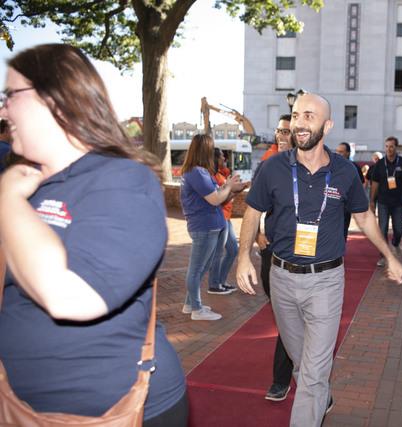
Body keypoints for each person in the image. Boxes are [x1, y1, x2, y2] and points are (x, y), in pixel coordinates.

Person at [0, 43, 187, 425]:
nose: (3, 109)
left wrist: (8, 203)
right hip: (20, 405)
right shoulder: (28, 183)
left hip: (114, 412)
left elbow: (70, 296)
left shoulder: (123, 181)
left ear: (55, 98)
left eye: (10, 95)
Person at [236, 93, 402, 427]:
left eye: (309, 116)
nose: (300, 122)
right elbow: (252, 212)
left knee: (313, 374)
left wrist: (389, 255)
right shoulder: (273, 167)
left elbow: (365, 217)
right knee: (301, 362)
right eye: (296, 115)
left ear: (327, 125)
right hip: (281, 278)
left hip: (326, 281)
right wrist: (243, 257)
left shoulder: (345, 173)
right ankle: (321, 397)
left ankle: (312, 405)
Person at [180, 134, 245, 320]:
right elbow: (215, 198)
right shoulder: (197, 172)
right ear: (205, 150)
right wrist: (229, 185)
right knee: (197, 269)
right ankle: (197, 310)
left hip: (208, 225)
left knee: (201, 267)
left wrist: (230, 189)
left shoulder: (198, 172)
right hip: (204, 226)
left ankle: (190, 304)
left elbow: (217, 196)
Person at [255, 113, 296, 402]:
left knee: (288, 318)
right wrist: (257, 234)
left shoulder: (311, 167)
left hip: (305, 256)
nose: (281, 136)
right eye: (279, 131)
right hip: (272, 252)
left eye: (287, 132)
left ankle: (283, 379)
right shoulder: (267, 166)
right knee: (287, 317)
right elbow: (254, 207)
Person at [369, 136, 402, 266]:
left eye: (391, 146)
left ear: (396, 147)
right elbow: (375, 184)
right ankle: (383, 256)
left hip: (399, 203)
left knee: (398, 229)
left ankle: (395, 244)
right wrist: (372, 201)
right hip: (383, 202)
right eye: (387, 146)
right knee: (382, 229)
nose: (389, 149)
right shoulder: (380, 164)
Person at [207, 147, 243, 294]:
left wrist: (237, 188)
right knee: (217, 253)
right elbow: (219, 200)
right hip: (219, 217)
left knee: (233, 250)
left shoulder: (221, 174)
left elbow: (227, 193)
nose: (224, 159)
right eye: (222, 156)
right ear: (215, 158)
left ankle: (220, 281)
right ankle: (214, 285)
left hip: (226, 218)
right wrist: (233, 191)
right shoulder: (213, 176)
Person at [335, 142, 364, 239]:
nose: (338, 154)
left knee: (343, 228)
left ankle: (340, 250)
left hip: (346, 204)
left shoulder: (354, 167)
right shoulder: (331, 166)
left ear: (348, 153)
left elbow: (361, 185)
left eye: (341, 152)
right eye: (337, 151)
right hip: (332, 202)